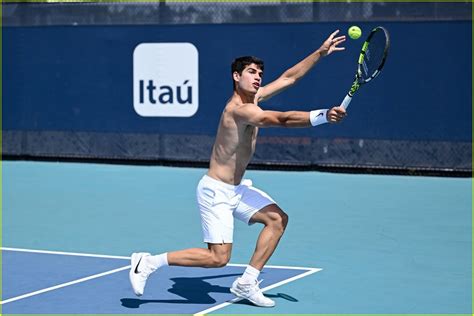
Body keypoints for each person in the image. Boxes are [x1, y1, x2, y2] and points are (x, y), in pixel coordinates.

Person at [129, 30, 347, 307]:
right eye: (252, 72)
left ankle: (246, 282)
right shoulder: (238, 110)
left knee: (277, 220)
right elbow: (277, 119)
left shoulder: (253, 101)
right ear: (236, 76)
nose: (258, 77)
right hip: (216, 192)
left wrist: (320, 53)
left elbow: (289, 78)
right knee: (218, 258)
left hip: (237, 188)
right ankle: (147, 262)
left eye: (260, 73)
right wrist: (323, 116)